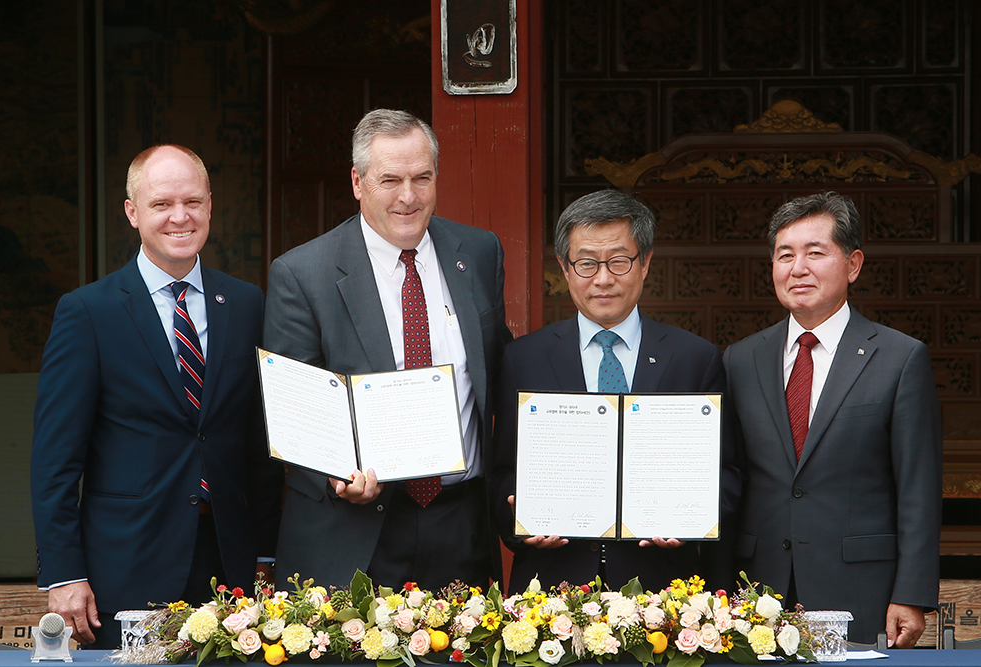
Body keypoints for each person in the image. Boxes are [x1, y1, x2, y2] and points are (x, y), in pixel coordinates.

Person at [30, 145, 283, 649]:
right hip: (125, 566)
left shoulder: (247, 303)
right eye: (161, 204)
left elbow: (259, 443)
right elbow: (56, 459)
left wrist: (267, 555)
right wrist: (62, 574)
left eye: (192, 201)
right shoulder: (88, 312)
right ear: (132, 212)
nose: (179, 216)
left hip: (229, 566)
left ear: (210, 205)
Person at [263, 109, 512, 591]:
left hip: (461, 522)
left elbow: (501, 369)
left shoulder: (479, 253)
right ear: (358, 182)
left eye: (422, 178)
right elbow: (297, 411)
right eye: (390, 179)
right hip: (356, 530)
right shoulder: (303, 274)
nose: (408, 196)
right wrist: (338, 474)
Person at [491, 189, 740, 593]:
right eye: (587, 263)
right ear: (564, 268)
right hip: (552, 588)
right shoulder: (523, 359)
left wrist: (693, 521)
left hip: (665, 591)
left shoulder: (695, 358)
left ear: (645, 263)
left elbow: (726, 472)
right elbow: (500, 471)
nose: (603, 279)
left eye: (619, 262)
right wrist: (519, 521)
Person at [723, 192, 941, 647]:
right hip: (756, 592)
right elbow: (730, 475)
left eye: (815, 253)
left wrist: (913, 593)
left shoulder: (899, 358)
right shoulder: (741, 359)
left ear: (853, 264)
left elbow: (918, 486)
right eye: (785, 255)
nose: (797, 268)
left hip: (862, 588)